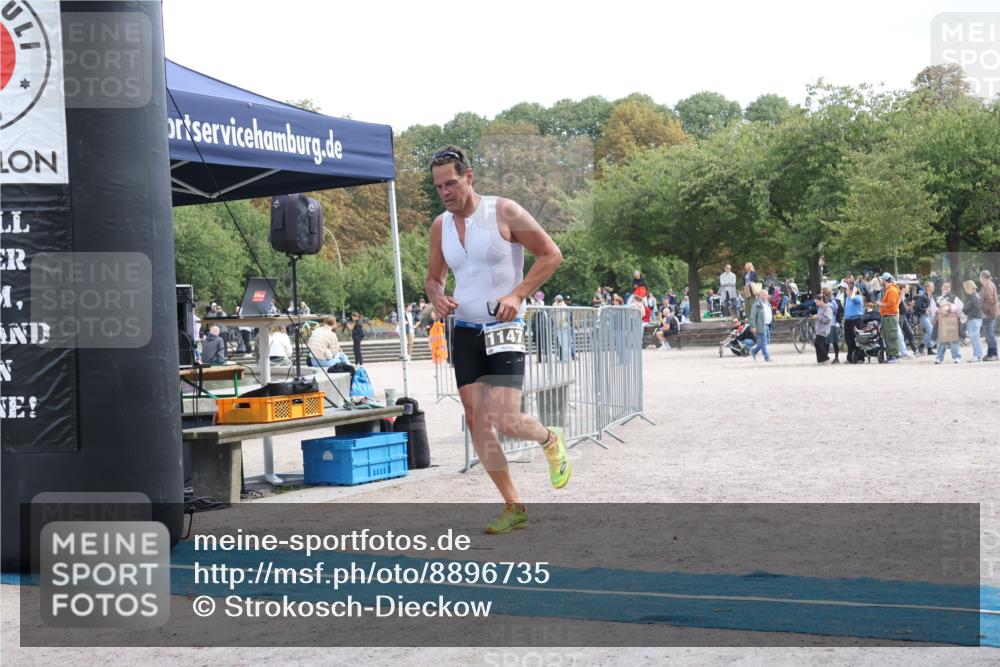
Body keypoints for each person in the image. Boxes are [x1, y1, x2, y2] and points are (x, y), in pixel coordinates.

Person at [424, 145, 569, 535]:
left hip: (504, 327)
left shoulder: (504, 211)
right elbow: (433, 278)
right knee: (476, 419)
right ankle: (513, 505)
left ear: (469, 177)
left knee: (506, 418)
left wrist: (517, 294)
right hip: (466, 330)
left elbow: (551, 255)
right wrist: (436, 295)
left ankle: (549, 438)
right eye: (438, 187)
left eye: (451, 183)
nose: (445, 192)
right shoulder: (440, 226)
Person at [934, 281, 963, 364]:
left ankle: (956, 357)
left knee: (954, 340)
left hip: (951, 321)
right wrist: (939, 311)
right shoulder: (937, 298)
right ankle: (939, 358)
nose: (945, 288)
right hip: (941, 322)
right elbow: (932, 309)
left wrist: (951, 309)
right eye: (944, 286)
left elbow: (960, 307)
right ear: (941, 287)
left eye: (947, 286)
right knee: (941, 340)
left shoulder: (954, 297)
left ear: (950, 288)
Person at [876, 272, 901, 363]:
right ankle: (891, 356)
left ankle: (894, 356)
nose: (881, 281)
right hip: (887, 316)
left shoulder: (892, 290)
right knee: (888, 336)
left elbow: (892, 304)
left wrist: (880, 304)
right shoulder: (889, 289)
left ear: (884, 280)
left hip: (890, 316)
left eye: (882, 280)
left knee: (891, 336)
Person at [843, 278, 864, 363]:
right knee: (848, 339)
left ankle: (860, 357)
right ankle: (850, 357)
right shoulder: (848, 298)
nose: (845, 291)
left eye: (847, 289)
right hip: (848, 320)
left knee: (857, 339)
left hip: (856, 320)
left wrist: (854, 291)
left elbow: (853, 298)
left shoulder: (857, 297)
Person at [962, 280, 984, 363]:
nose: (964, 290)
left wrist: (967, 314)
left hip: (974, 319)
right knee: (974, 338)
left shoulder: (975, 296)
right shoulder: (972, 296)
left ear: (969, 287)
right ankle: (977, 355)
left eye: (965, 288)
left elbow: (976, 308)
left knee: (975, 338)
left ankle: (978, 355)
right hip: (973, 319)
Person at [749, 288, 772, 362]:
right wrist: (753, 326)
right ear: (760, 296)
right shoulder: (756, 305)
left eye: (766, 295)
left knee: (766, 341)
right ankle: (766, 357)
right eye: (763, 295)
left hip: (768, 325)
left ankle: (754, 351)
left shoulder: (768, 304)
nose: (765, 296)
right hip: (761, 325)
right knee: (764, 341)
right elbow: (752, 316)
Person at [914, 281, 937, 355]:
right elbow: (917, 306)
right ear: (927, 288)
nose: (934, 287)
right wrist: (925, 310)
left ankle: (929, 349)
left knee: (930, 332)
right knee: (930, 331)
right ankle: (921, 345)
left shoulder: (930, 296)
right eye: (932, 286)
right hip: (924, 316)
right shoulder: (923, 296)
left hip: (929, 316)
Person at [980, 270, 998, 361]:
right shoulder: (989, 285)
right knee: (988, 334)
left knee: (989, 334)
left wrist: (981, 307)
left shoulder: (988, 286)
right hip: (990, 313)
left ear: (983, 277)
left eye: (980, 278)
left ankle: (993, 354)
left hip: (989, 314)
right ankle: (990, 353)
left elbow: (991, 301)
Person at [823, 287, 841, 364]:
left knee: (834, 342)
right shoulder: (825, 301)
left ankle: (836, 358)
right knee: (826, 342)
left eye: (825, 294)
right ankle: (826, 357)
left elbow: (834, 310)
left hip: (832, 324)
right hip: (826, 324)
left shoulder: (832, 302)